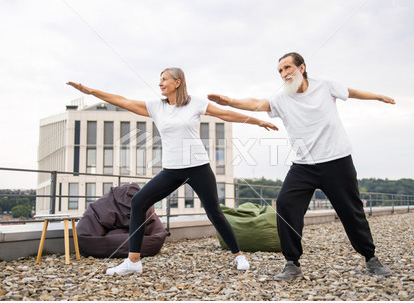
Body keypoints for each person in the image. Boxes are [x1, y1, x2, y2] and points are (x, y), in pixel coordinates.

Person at [67, 67, 278, 276]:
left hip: (198, 167)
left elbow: (225, 113)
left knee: (214, 211)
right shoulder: (156, 107)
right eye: (159, 79)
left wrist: (258, 121)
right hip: (172, 170)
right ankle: (133, 261)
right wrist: (90, 91)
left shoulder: (196, 103)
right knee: (139, 201)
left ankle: (239, 255)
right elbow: (123, 101)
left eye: (164, 79)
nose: (160, 83)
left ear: (177, 82)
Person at [208, 52, 395, 281]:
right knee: (286, 205)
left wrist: (378, 97)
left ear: (302, 68)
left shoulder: (324, 86)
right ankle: (292, 263)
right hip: (304, 165)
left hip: (337, 160)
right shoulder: (281, 98)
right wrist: (229, 101)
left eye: (288, 68)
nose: (284, 74)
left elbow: (352, 92)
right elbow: (257, 103)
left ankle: (371, 258)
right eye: (280, 70)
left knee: (351, 212)